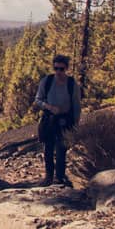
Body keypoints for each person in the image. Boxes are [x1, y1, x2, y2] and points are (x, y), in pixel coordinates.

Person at [34, 54, 81, 187]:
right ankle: (48, 177)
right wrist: (49, 107)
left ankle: (59, 178)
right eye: (56, 68)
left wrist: (76, 124)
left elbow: (77, 105)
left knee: (61, 149)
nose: (58, 72)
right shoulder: (47, 81)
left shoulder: (72, 84)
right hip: (49, 119)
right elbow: (38, 99)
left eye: (61, 69)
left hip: (65, 121)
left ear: (66, 68)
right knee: (48, 149)